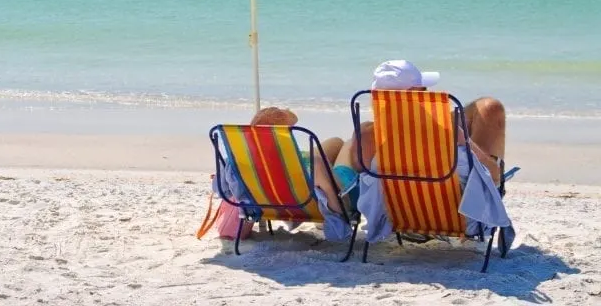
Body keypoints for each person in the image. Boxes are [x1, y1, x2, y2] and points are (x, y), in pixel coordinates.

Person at [352, 59, 513, 245]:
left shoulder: (369, 139)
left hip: (397, 218)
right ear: (418, 96)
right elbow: (494, 176)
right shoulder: (450, 141)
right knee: (489, 166)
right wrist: (468, 144)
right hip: (462, 221)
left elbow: (362, 178)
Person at [213, 106, 358, 242]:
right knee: (348, 143)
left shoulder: (240, 164)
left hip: (281, 198)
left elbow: (221, 190)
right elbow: (336, 199)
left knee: (334, 142)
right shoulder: (312, 164)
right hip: (337, 186)